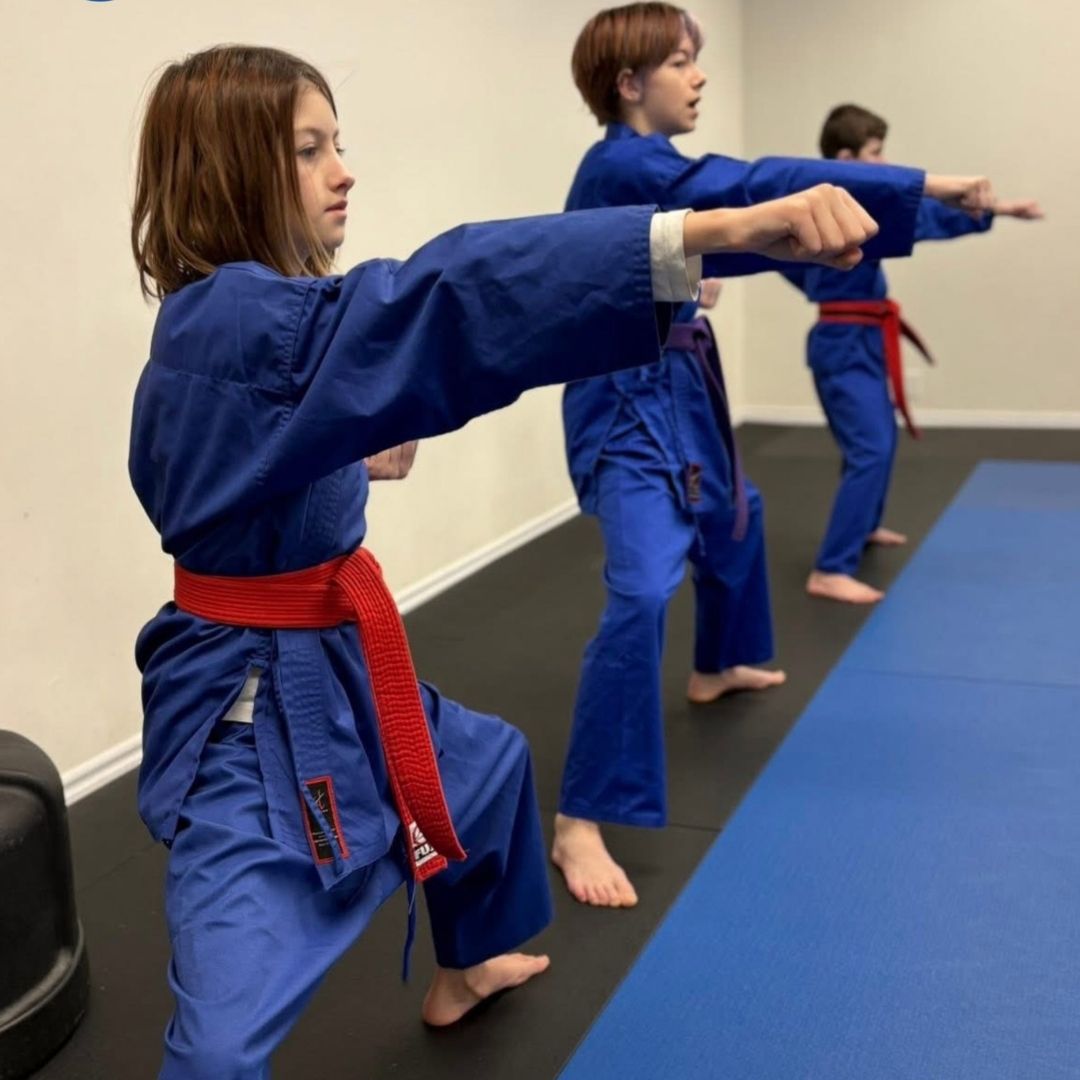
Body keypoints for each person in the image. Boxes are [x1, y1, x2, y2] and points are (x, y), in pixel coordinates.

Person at [127, 44, 881, 1077]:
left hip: (337, 662)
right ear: (227, 172)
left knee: (485, 769)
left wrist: (343, 452)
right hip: (251, 709)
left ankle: (470, 963)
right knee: (218, 1043)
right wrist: (711, 231)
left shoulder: (244, 316)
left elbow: (246, 445)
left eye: (337, 144)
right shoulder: (236, 319)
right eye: (309, 151)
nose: (344, 171)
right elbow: (456, 295)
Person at [553, 2, 996, 909]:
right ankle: (579, 818)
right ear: (629, 83)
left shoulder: (650, 171)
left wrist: (699, 276)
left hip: (681, 384)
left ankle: (719, 665)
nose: (699, 76)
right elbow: (756, 186)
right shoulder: (623, 163)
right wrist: (930, 183)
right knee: (643, 590)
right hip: (626, 402)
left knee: (733, 520)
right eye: (681, 62)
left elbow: (723, 234)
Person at [783, 103, 1044, 603]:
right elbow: (923, 217)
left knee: (878, 437)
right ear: (846, 158)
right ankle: (830, 569)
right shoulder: (831, 210)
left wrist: (1002, 209)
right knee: (870, 448)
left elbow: (921, 217)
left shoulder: (848, 206)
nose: (884, 162)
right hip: (841, 343)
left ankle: (863, 526)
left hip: (862, 336)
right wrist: (998, 210)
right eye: (876, 153)